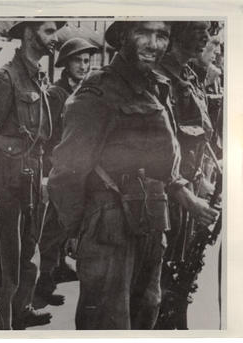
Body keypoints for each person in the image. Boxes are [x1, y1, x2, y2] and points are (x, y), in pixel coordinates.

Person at [48, 21, 217, 329]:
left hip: (151, 222)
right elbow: (66, 173)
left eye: (162, 35)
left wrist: (187, 197)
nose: (154, 43)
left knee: (145, 317)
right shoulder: (98, 91)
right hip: (109, 230)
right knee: (108, 324)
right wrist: (76, 232)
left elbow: (161, 161)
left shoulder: (154, 86)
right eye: (144, 33)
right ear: (124, 36)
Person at [0, 20, 65, 330]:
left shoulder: (36, 75)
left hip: (33, 172)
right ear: (29, 34)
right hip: (9, 177)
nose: (54, 38)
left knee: (30, 246)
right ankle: (3, 324)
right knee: (8, 254)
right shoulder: (5, 77)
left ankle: (22, 308)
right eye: (48, 31)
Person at [155, 21, 221, 330]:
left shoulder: (189, 75)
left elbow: (201, 134)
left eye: (208, 30)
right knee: (160, 271)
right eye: (198, 29)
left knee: (181, 266)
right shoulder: (160, 76)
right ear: (178, 32)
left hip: (190, 186)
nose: (206, 37)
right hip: (167, 190)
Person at [35, 37, 98, 306]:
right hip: (57, 168)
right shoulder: (56, 94)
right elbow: (48, 135)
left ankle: (57, 269)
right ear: (65, 64)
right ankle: (40, 288)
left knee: (66, 226)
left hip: (77, 169)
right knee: (49, 232)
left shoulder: (86, 91)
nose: (84, 66)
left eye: (87, 61)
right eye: (78, 61)